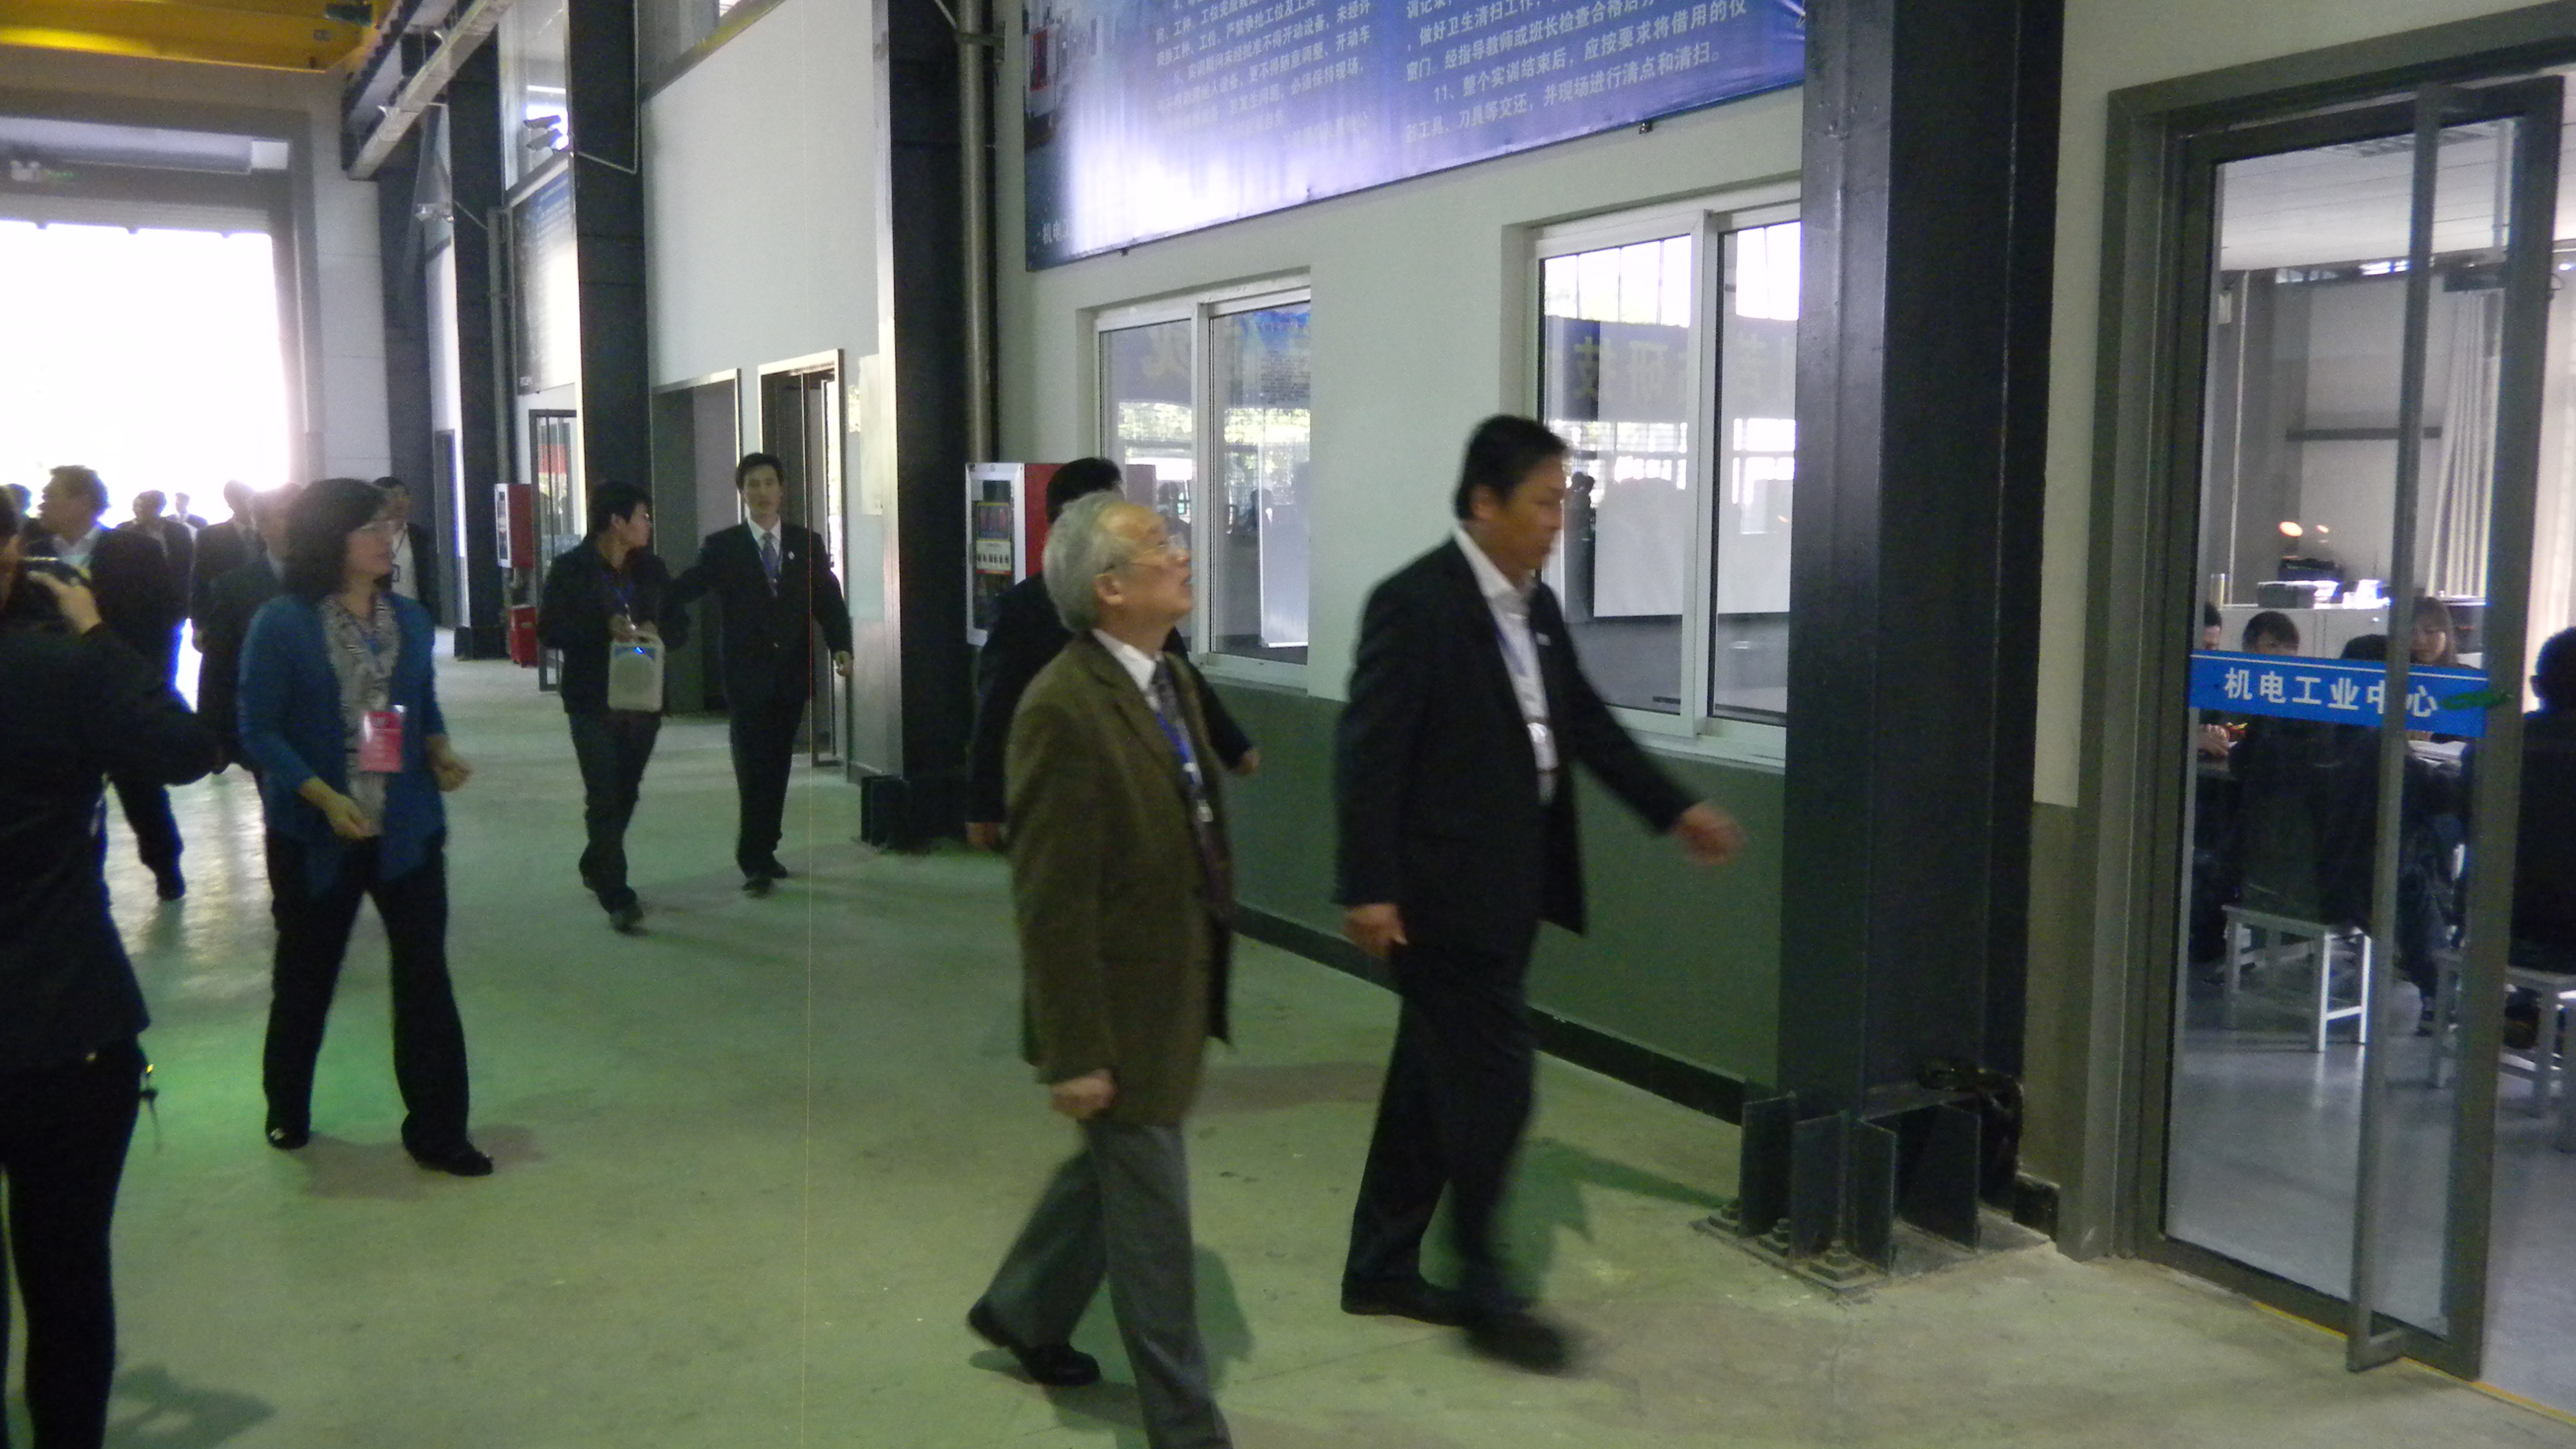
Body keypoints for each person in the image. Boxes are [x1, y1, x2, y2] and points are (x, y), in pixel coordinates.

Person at [1335, 415, 1744, 1374]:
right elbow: (1370, 755)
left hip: (1513, 887)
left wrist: (1673, 810)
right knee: (1496, 1086)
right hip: (1439, 897)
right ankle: (1485, 1287)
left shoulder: (1537, 606)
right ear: (1485, 503)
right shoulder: (1416, 604)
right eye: (1545, 502)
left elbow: (1584, 725)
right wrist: (1370, 887)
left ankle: (1380, 1266)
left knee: (1428, 1082)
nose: (1561, 520)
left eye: (1564, 502)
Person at [968, 492, 1235, 1449]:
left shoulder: (1169, 680)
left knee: (1109, 1178)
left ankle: (1024, 1308)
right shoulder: (1061, 709)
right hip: (1116, 1013)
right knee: (1154, 1233)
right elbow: (1051, 901)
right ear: (1110, 588)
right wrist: (1076, 1051)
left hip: (1171, 989)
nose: (1182, 554)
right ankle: (1186, 1428)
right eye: (1161, 544)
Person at [0, 484, 219, 1449]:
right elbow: (185, 747)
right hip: (64, 1022)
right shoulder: (58, 672)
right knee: (65, 1276)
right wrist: (95, 633)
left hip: (62, 1020)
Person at [239, 477, 489, 1176]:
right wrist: (322, 797)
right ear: (331, 541)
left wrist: (437, 750)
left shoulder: (408, 618)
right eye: (371, 529)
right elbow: (258, 729)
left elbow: (420, 702)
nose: (387, 538)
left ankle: (440, 1130)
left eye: (387, 527)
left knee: (424, 977)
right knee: (307, 972)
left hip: (407, 825)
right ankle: (287, 1104)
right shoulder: (283, 623)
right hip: (317, 830)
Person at [965, 457, 1255, 849]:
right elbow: (996, 711)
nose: (1181, 557)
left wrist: (1233, 747)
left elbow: (1188, 685)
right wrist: (983, 804)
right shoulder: (1048, 676)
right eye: (1155, 545)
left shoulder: (1151, 627)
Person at [670, 452, 852, 894]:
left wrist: (841, 646)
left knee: (777, 766)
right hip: (746, 676)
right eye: (753, 484)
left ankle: (766, 849)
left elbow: (828, 599)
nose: (762, 492)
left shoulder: (806, 543)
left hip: (790, 675)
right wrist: (647, 604)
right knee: (753, 768)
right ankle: (753, 859)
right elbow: (690, 585)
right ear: (742, 492)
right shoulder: (724, 546)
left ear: (782, 489)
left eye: (769, 483)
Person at [29, 465, 190, 900]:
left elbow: (166, 617)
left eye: (52, 494)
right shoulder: (32, 554)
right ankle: (78, 881)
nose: (43, 502)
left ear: (82, 501)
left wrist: (147, 682)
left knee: (141, 788)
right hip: (54, 703)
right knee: (64, 795)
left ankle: (165, 867)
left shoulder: (133, 550)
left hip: (118, 693)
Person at [539, 482, 689, 932]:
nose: (648, 525)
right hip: (593, 699)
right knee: (603, 794)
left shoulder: (652, 569)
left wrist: (656, 629)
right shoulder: (571, 568)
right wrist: (602, 626)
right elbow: (550, 629)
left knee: (626, 790)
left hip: (643, 698)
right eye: (642, 516)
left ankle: (596, 861)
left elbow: (680, 624)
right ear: (617, 522)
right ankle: (616, 894)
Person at [197, 483, 300, 774]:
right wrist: (213, 736)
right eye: (284, 515)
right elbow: (219, 665)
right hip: (269, 731)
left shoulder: (336, 580)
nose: (296, 523)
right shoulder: (234, 588)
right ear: (261, 526)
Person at [121, 489, 195, 627]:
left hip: (175, 600)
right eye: (136, 506)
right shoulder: (126, 532)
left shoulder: (180, 531)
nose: (137, 511)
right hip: (140, 602)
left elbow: (189, 564)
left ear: (157, 507)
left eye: (142, 507)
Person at [373, 475, 441, 620]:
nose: (399, 500)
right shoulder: (368, 537)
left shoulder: (420, 535)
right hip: (379, 615)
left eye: (403, 495)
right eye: (392, 495)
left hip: (415, 613)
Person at [192, 480, 258, 622]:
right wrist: (199, 621)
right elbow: (201, 578)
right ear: (229, 503)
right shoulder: (210, 536)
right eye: (240, 499)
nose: (246, 505)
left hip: (263, 607)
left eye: (249, 498)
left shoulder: (267, 531)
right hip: (226, 611)